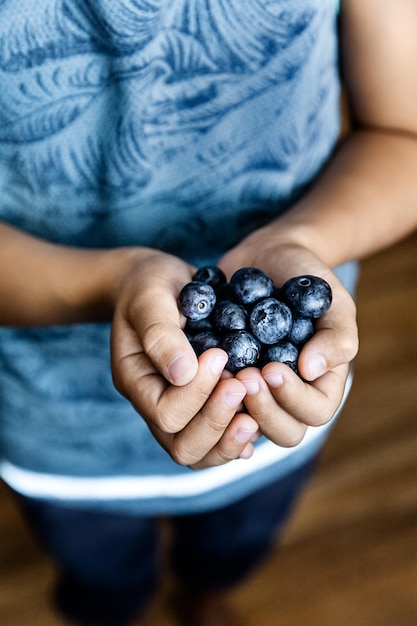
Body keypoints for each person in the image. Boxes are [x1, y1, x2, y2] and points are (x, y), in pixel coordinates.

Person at [0, 1, 416, 625]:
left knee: (236, 544)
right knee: (103, 580)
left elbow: (403, 134)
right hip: (60, 434)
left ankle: (205, 594)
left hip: (280, 414)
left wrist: (305, 242)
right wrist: (109, 284)